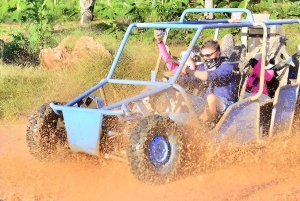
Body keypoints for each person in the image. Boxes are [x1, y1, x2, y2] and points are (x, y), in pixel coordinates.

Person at [154, 30, 239, 124]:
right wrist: (178, 80)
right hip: (205, 101)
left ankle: (199, 128)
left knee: (211, 98)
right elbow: (191, 78)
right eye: (203, 55)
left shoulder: (227, 66)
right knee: (183, 97)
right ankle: (173, 124)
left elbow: (210, 76)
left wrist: (189, 70)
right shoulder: (204, 66)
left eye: (208, 55)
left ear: (218, 53)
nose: (206, 58)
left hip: (226, 103)